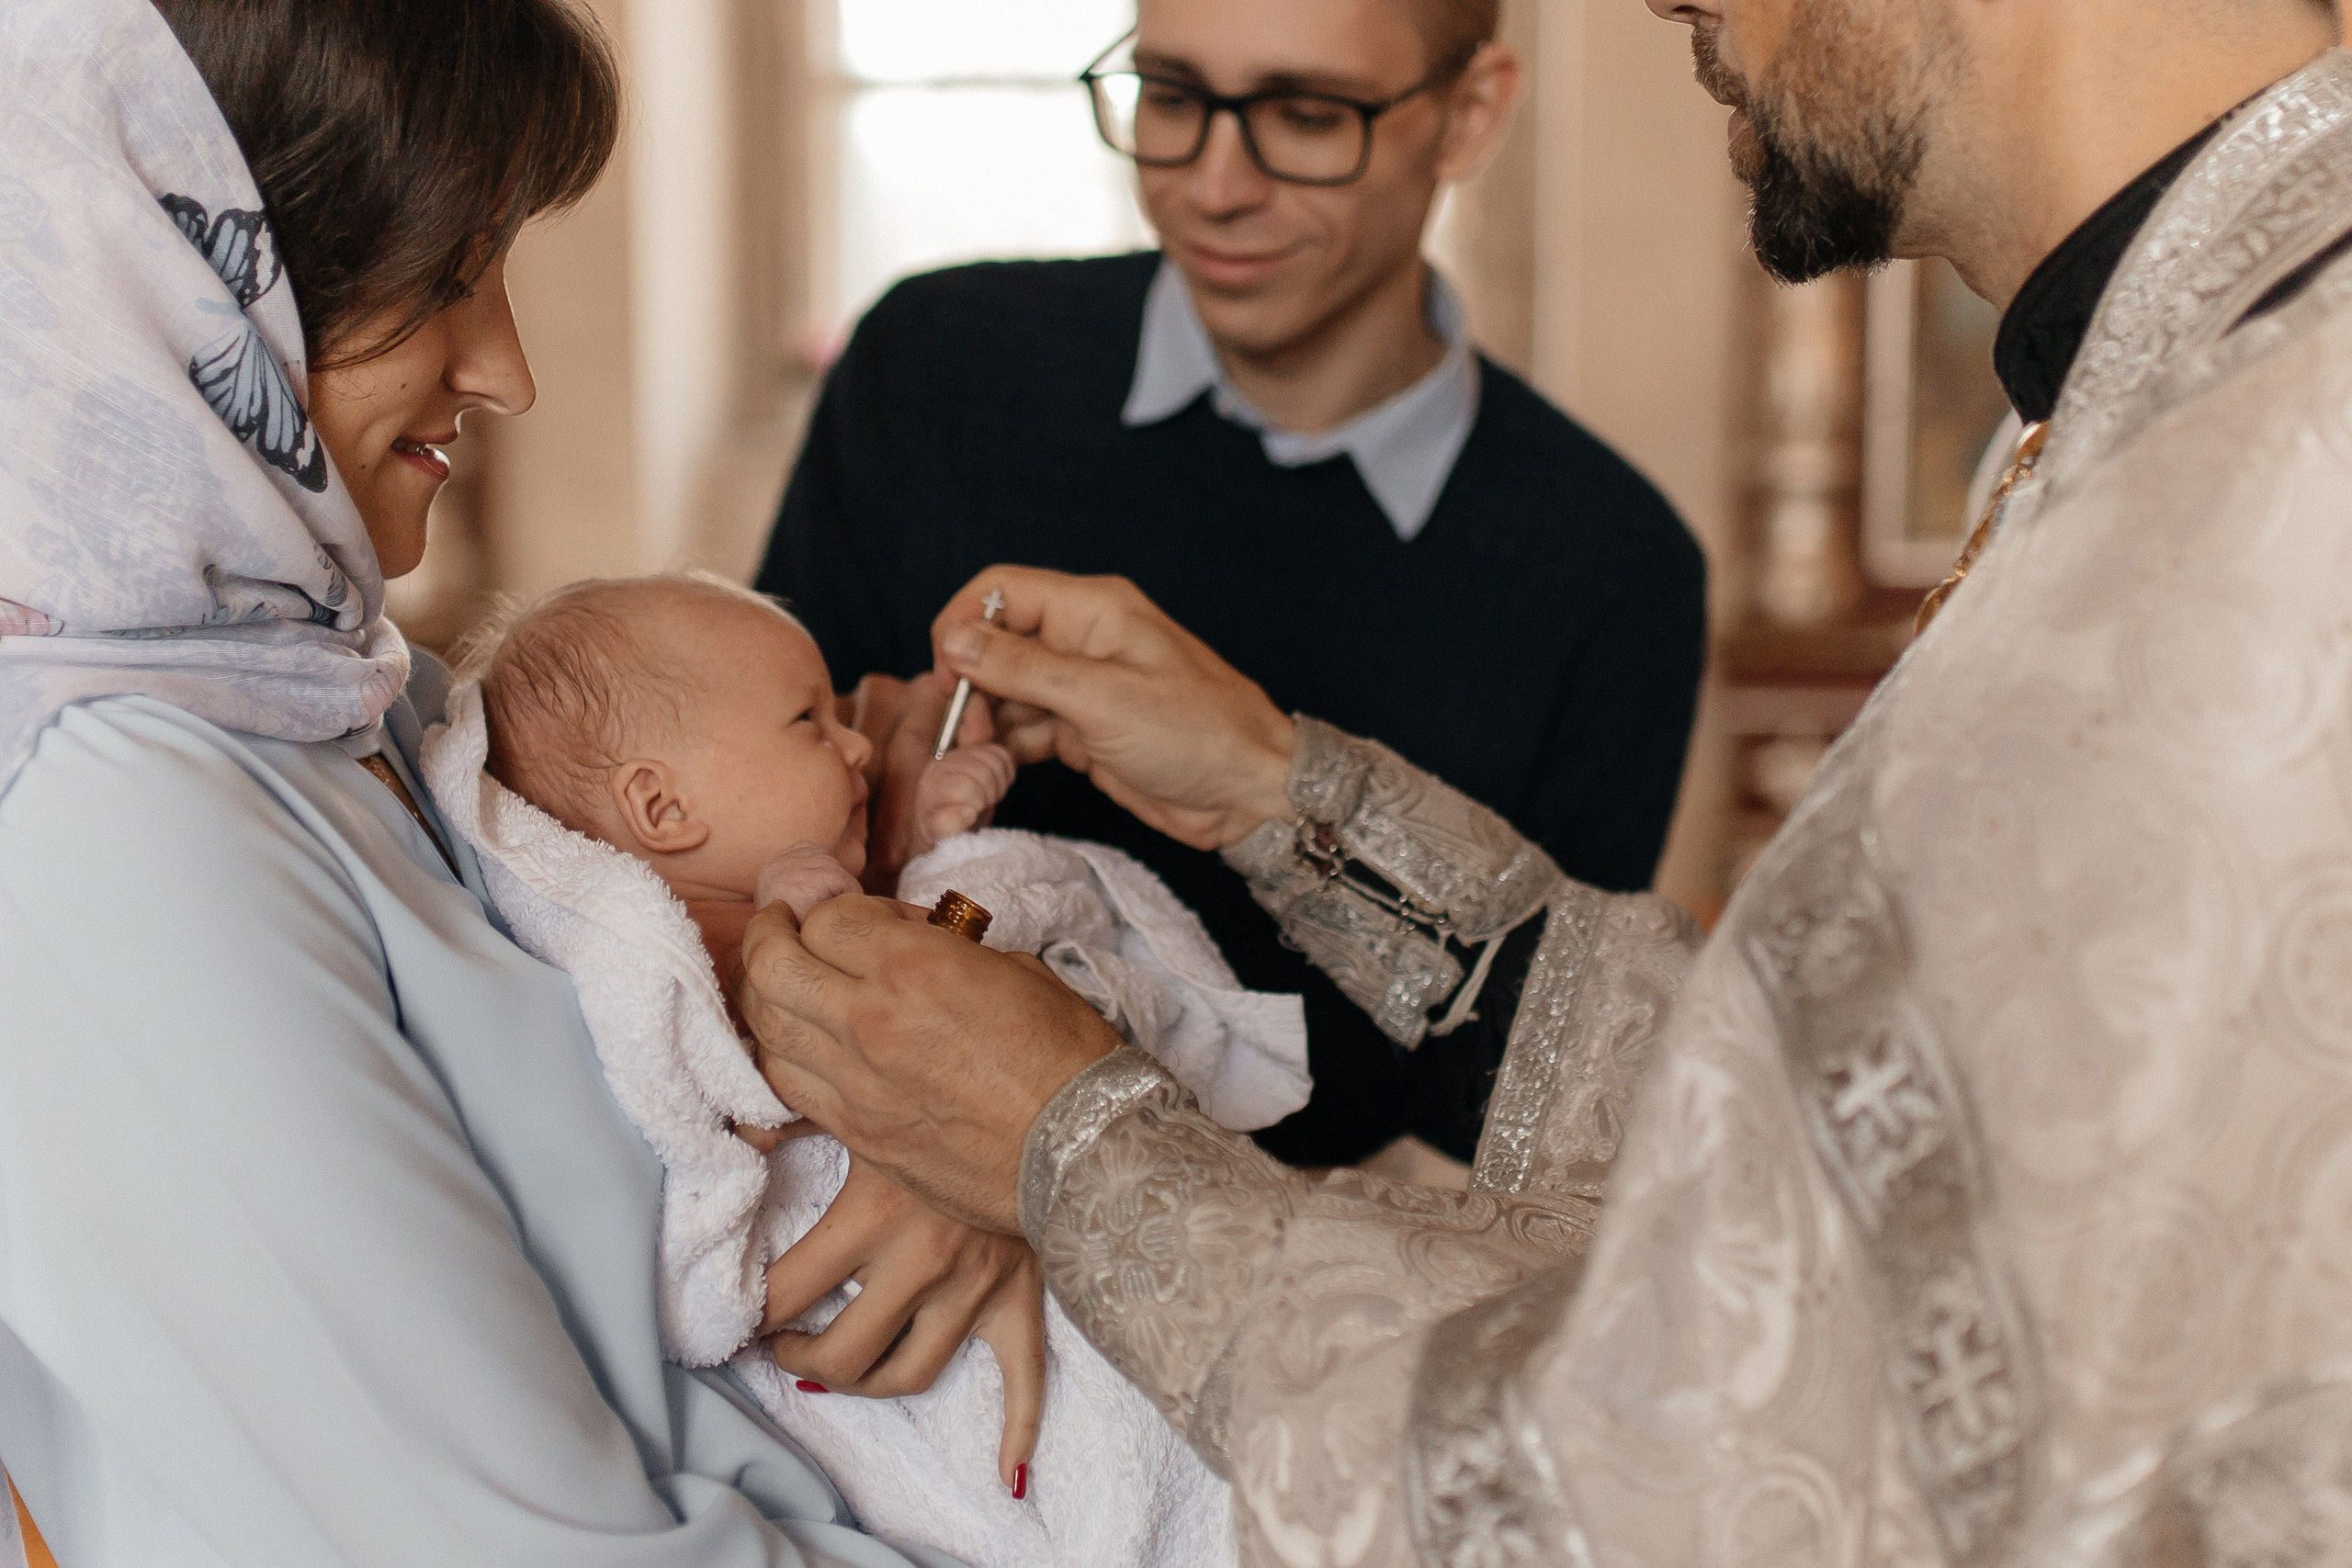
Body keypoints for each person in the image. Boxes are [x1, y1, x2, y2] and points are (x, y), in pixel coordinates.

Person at [735, 0, 2352, 1562]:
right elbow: (1847, 1139)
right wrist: (1283, 795)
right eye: (1173, 91)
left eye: (1305, 110)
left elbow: (1742, 1448)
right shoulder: (2171, 387)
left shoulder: (2286, 486)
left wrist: (1064, 1147)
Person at [0, 5, 1046, 1564]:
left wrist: (935, 1139)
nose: (507, 371)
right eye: (443, 277)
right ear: (177, 263)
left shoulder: (335, 689)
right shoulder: (105, 825)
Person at [756, 0, 1708, 1169]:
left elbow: (1533, 1091)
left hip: (1270, 1258)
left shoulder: (1616, 567)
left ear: (1469, 115)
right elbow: (726, 841)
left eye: (1305, 116)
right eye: (1171, 96)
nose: (1213, 188)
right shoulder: (930, 367)